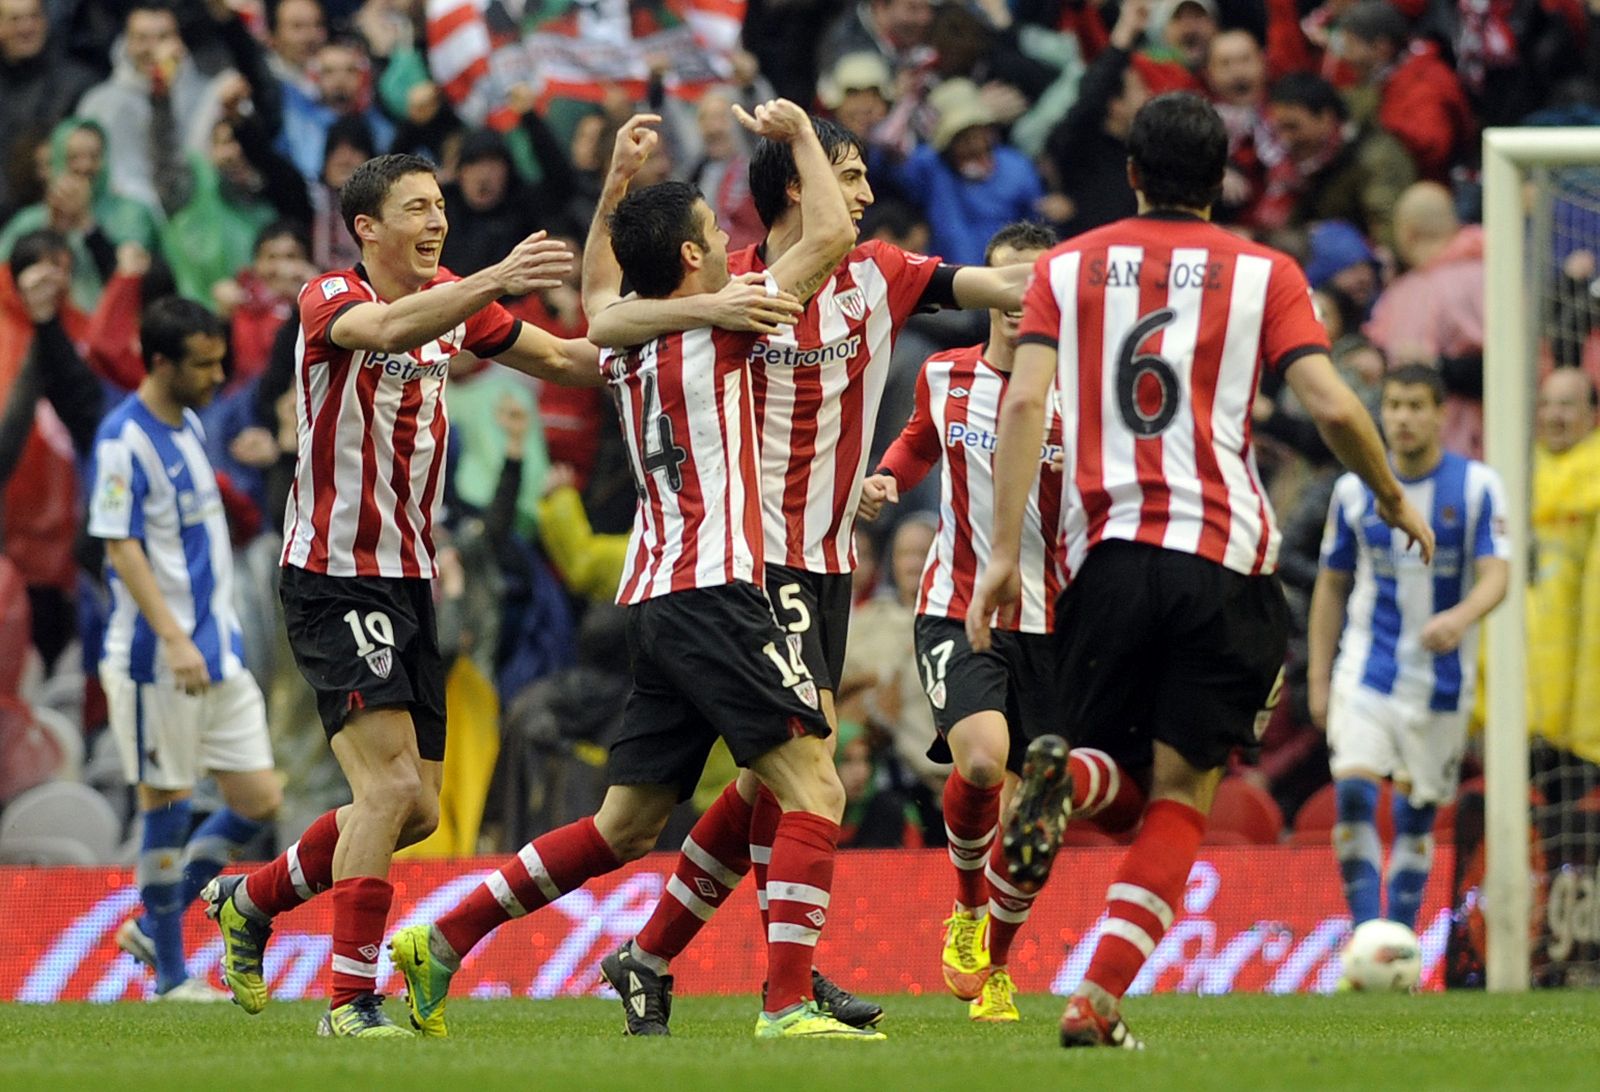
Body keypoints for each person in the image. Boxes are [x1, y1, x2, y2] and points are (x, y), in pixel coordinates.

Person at [390, 105, 881, 1042]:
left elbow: (601, 287)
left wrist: (617, 181)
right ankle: (784, 1005)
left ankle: (446, 934)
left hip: (655, 594)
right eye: (715, 238)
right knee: (815, 786)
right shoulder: (726, 325)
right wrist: (806, 139)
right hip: (717, 588)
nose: (733, 251)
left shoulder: (625, 343)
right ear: (696, 260)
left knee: (624, 826)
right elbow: (831, 232)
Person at [970, 91, 1434, 1048]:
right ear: (1221, 184)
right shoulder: (1265, 272)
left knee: (1121, 784)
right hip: (1227, 560)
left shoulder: (1065, 267)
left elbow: (1022, 407)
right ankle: (1094, 1002)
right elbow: (1337, 408)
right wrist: (1388, 492)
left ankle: (1073, 780)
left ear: (1132, 173)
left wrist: (998, 558)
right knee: (1182, 795)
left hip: (1108, 558)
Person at [583, 107, 1033, 1037]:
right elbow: (607, 321)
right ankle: (785, 985)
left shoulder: (884, 274)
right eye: (853, 174)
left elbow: (990, 281)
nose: (868, 193)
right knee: (803, 776)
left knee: (766, 783)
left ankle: (658, 955)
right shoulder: (742, 289)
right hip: (753, 561)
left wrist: (1073, 284)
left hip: (825, 563)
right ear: (801, 183)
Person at [200, 151, 603, 1038]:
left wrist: (680, 340)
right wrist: (495, 278)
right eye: (417, 208)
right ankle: (350, 1002)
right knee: (384, 790)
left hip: (413, 579)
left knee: (415, 809)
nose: (436, 222)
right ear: (367, 228)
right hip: (334, 577)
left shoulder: (454, 306)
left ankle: (252, 902)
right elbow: (382, 334)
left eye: (441, 207)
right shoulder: (329, 300)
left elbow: (571, 363)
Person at [859, 221, 1145, 1022]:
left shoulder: (1087, 397)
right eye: (1009, 282)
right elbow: (918, 444)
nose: (1022, 299)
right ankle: (968, 910)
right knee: (983, 763)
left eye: (1038, 284)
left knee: (1036, 808)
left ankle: (999, 966)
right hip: (957, 604)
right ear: (987, 289)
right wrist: (885, 479)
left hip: (1062, 622)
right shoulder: (945, 377)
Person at [85, 297, 283, 1001]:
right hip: (155, 657)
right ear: (161, 362)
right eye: (203, 363)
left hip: (216, 650)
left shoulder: (192, 425)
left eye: (220, 358)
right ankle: (169, 975)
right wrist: (171, 637)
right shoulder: (121, 442)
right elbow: (119, 544)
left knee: (259, 797)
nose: (219, 373)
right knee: (165, 801)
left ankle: (152, 922)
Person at [1308, 364, 1508, 944]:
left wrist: (1460, 617)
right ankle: (1371, 935)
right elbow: (1331, 586)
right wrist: (1319, 680)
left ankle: (1398, 939)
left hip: (1441, 682)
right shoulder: (1353, 489)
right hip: (1366, 671)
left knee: (1417, 815)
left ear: (1441, 413)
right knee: (1352, 791)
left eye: (1416, 405)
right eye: (1393, 405)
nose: (1402, 417)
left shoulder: (1476, 487)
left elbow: (1497, 574)